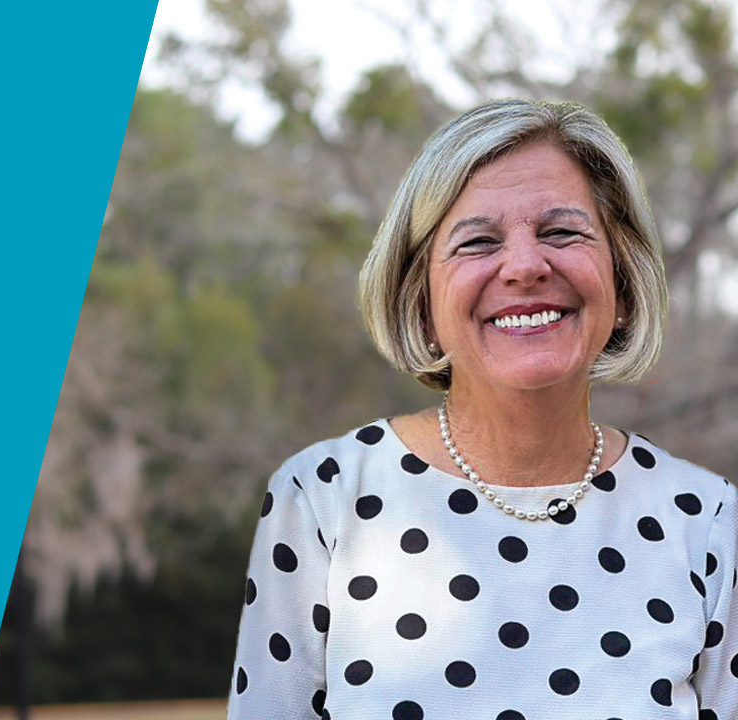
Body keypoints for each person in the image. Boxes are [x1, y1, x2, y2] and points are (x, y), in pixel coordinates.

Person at [227, 99, 737, 720]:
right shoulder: (320, 502)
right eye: (478, 242)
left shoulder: (709, 525)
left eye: (561, 232)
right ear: (422, 304)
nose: (525, 266)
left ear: (623, 287)